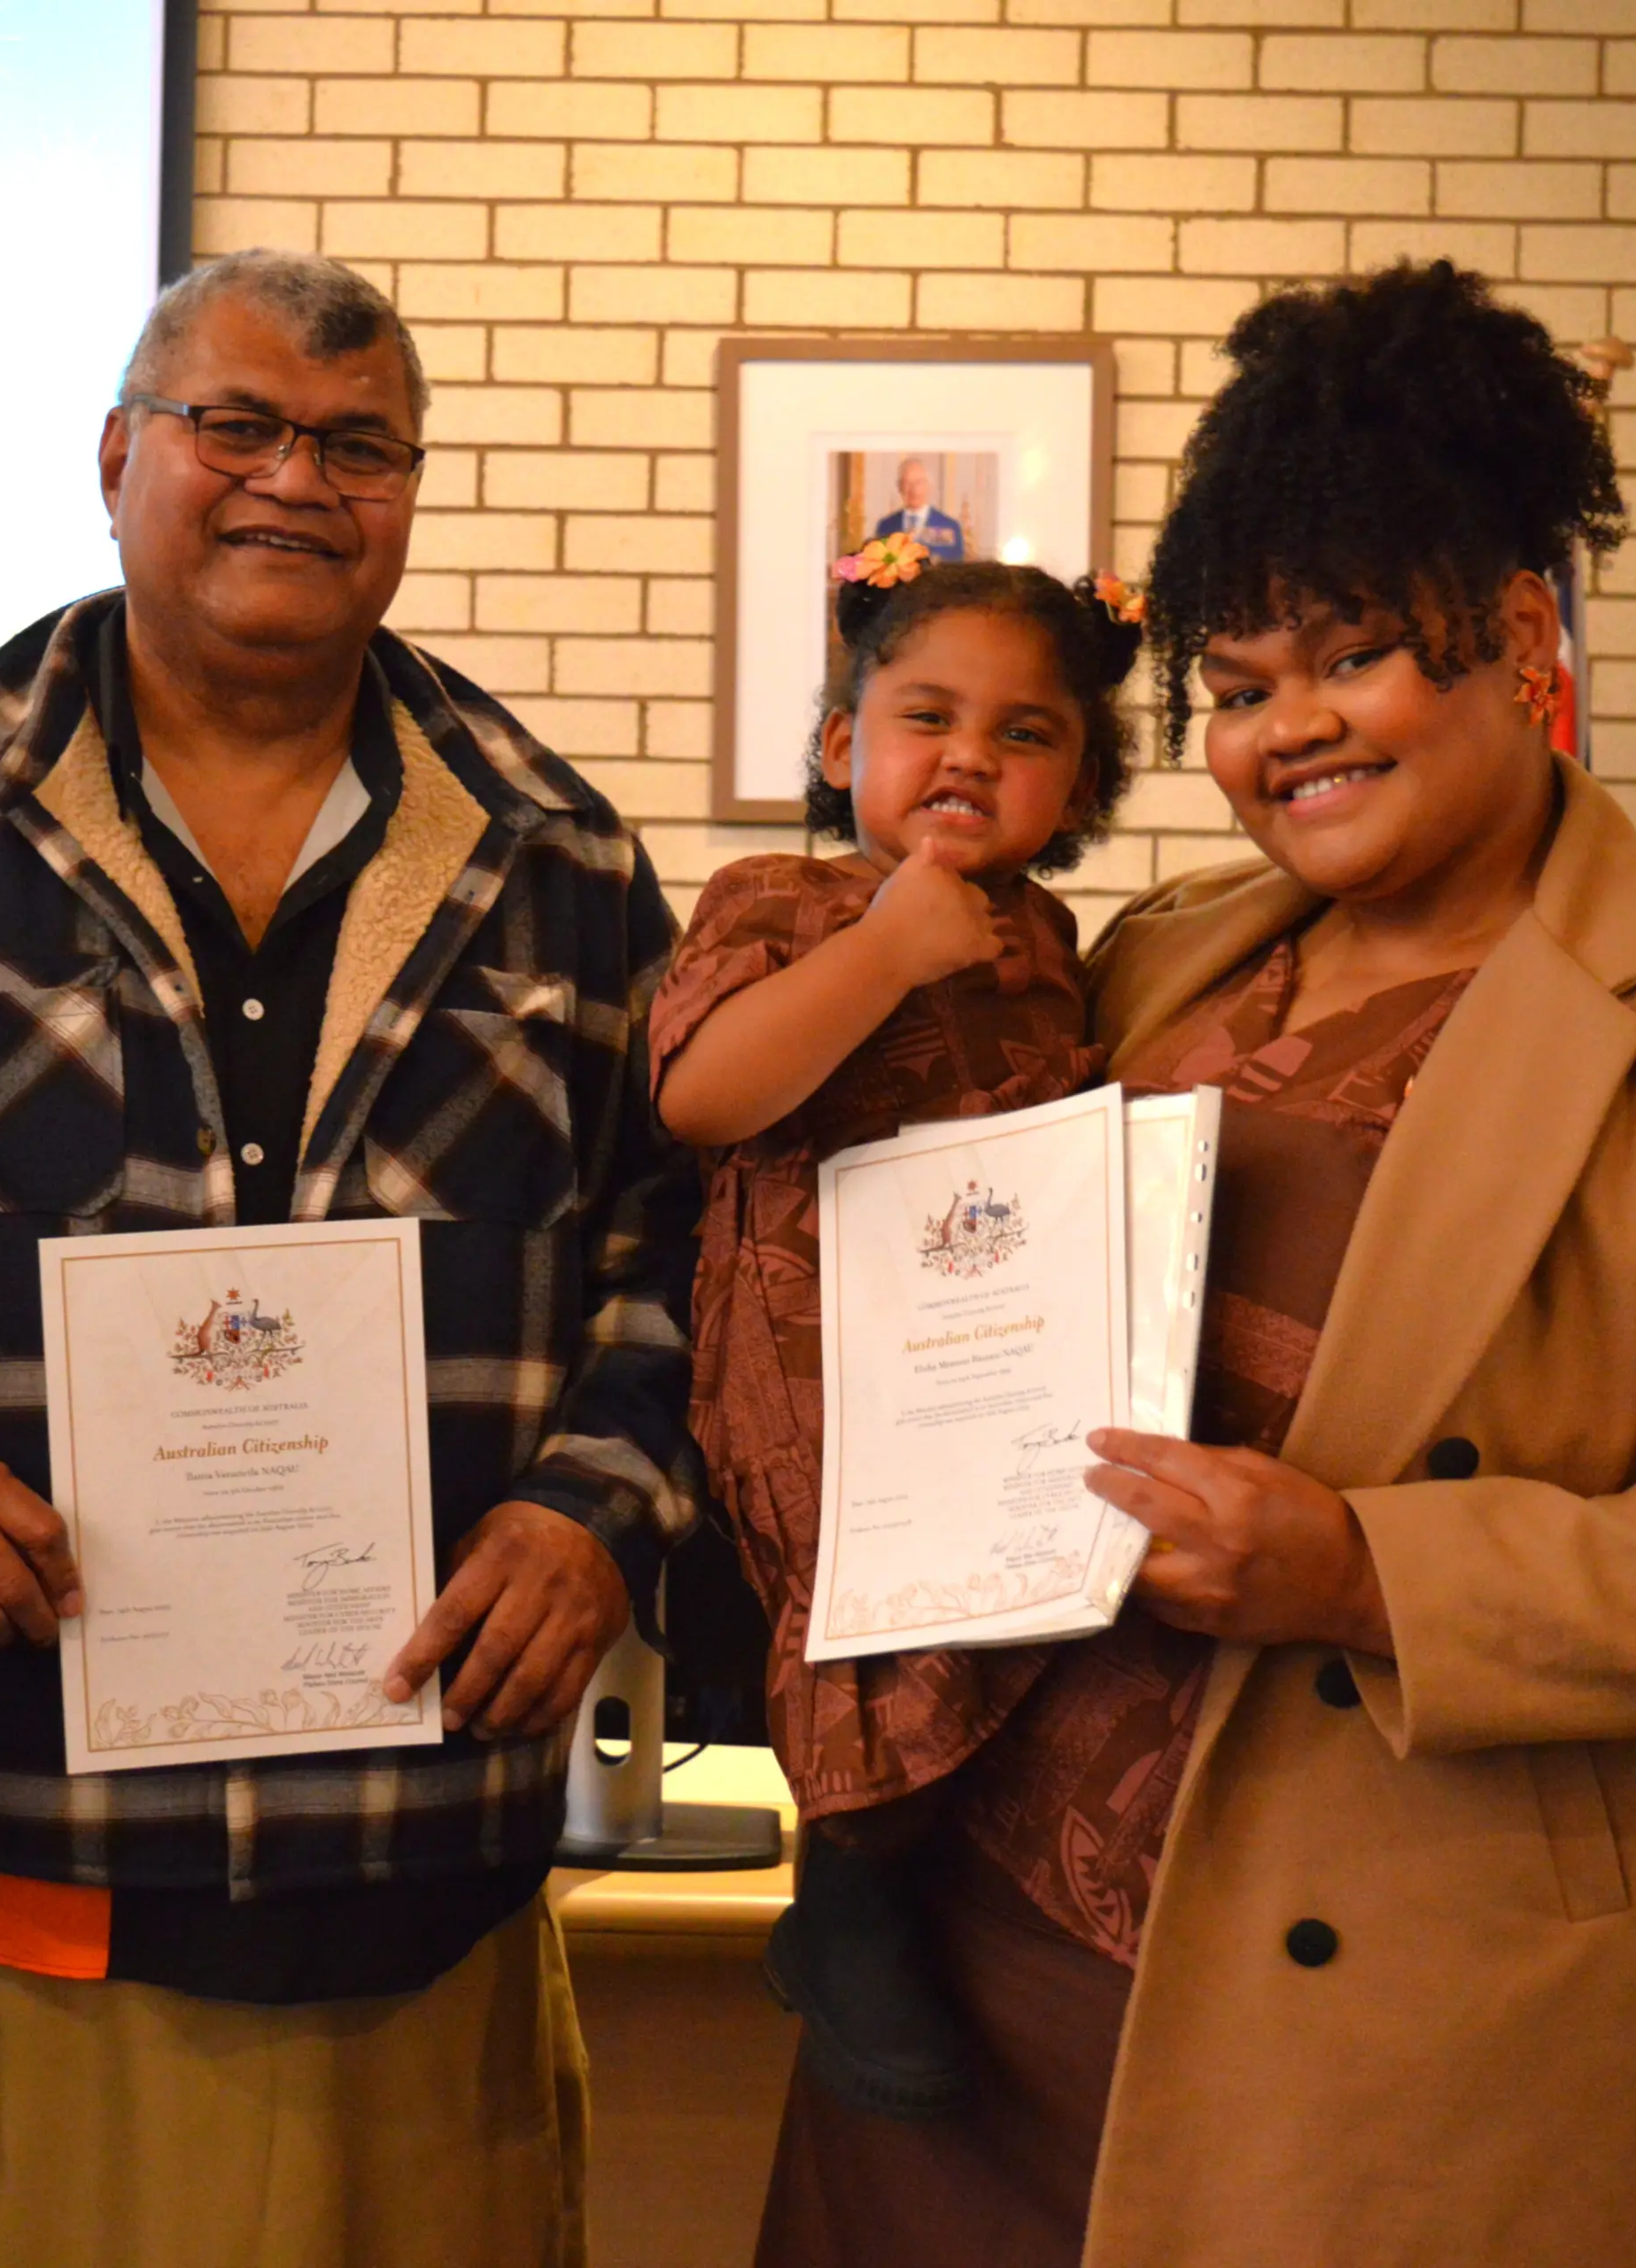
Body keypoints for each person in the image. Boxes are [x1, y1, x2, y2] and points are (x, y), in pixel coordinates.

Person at [769, 259, 1636, 2266]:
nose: (1283, 734)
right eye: (1233, 690)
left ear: (1513, 634)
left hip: (1362, 2040)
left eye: (1346, 661)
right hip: (964, 1997)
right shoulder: (1162, 958)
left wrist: (1362, 1567)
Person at [0, 248, 699, 2268]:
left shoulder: (563, 863)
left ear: (410, 491)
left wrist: (599, 1511)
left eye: (355, 445)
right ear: (114, 458)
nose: (292, 482)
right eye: (233, 426)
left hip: (407, 1903)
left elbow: (676, 1245)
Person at [647, 555, 1139, 2122]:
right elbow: (702, 1095)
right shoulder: (779, 901)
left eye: (1027, 734)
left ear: (1080, 782)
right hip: (812, 1344)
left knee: (1011, 1596)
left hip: (990, 1345)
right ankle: (844, 1883)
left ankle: (940, 1871)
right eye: (926, 716)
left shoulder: (1059, 937)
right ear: (837, 741)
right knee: (853, 1608)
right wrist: (882, 952)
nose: (969, 758)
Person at [869, 457, 966, 563]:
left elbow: (956, 569)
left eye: (918, 482)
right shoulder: (886, 526)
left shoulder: (949, 526)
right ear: (899, 487)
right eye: (907, 483)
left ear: (928, 486)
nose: (914, 490)